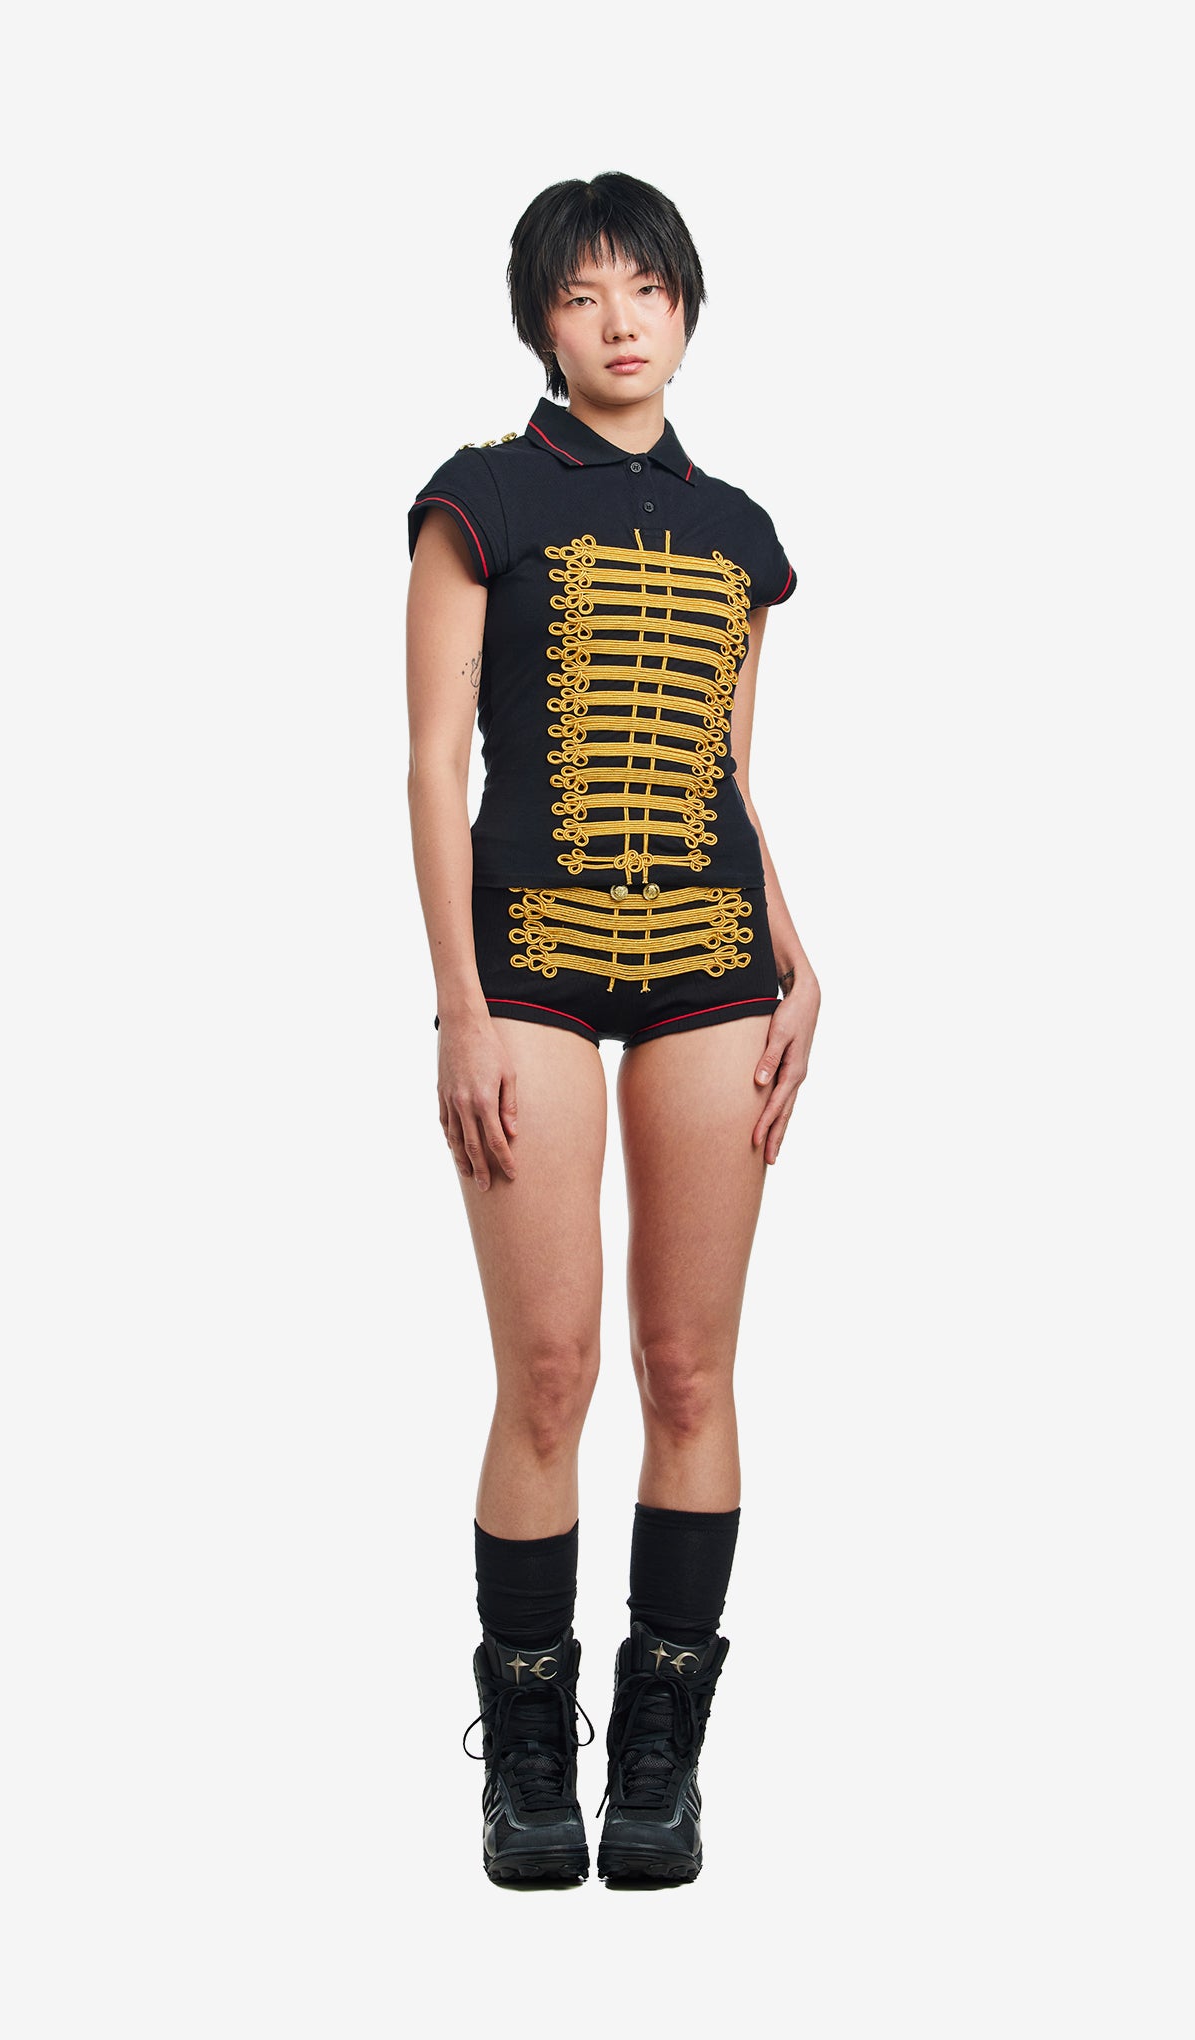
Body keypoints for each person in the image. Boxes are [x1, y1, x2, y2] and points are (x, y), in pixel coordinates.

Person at [405, 171, 819, 1885]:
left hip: (715, 957)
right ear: (541, 324)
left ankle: (661, 1760)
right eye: (581, 295)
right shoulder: (479, 498)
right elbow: (431, 765)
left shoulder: (740, 532)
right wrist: (457, 1006)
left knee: (692, 1369)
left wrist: (797, 951)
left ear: (687, 306)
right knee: (553, 1372)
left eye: (644, 287)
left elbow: (730, 775)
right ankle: (526, 1761)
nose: (620, 319)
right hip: (528, 962)